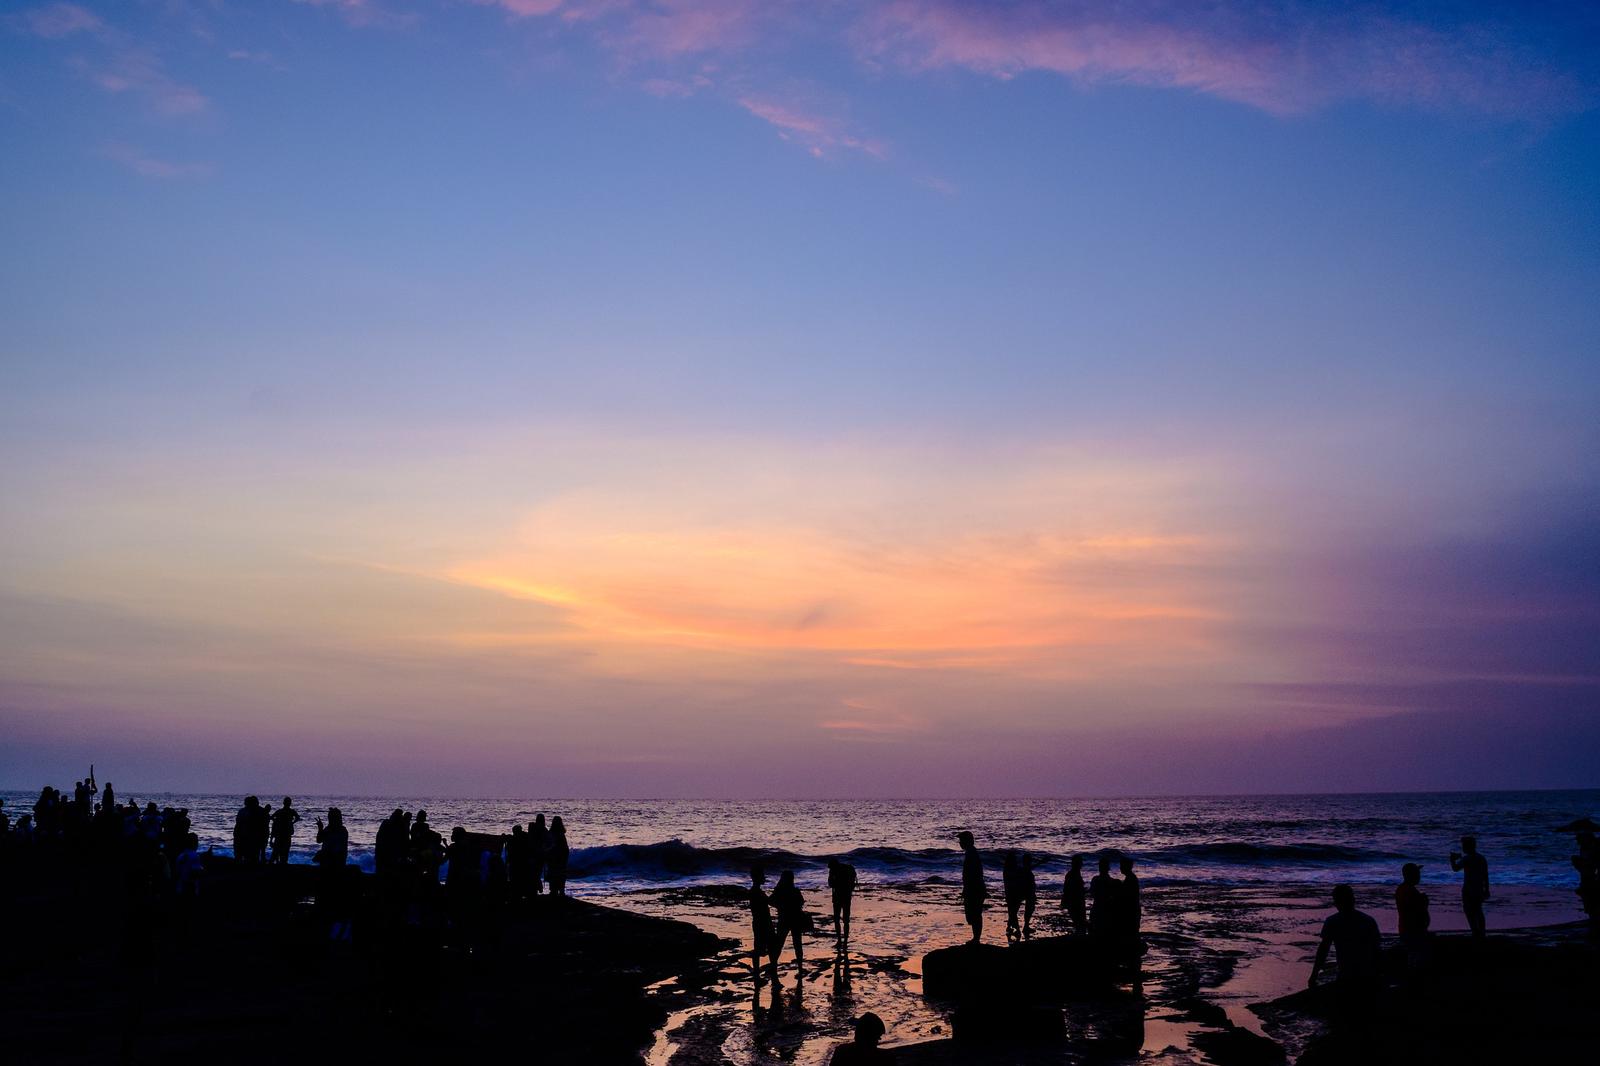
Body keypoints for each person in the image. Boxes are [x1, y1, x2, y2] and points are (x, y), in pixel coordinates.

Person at [1308, 884, 1382, 1021]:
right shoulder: (1368, 921)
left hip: (1346, 975)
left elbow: (1323, 950)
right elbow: (1377, 951)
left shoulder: (1332, 922)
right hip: (1368, 975)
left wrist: (1314, 976)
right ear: (1353, 899)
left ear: (1336, 902)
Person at [1449, 835, 1489, 938]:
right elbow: (1485, 875)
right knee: (1478, 910)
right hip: (1479, 888)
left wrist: (1452, 860)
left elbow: (1455, 868)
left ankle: (1475, 931)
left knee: (1469, 911)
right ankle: (1482, 932)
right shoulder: (1481, 858)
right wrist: (1487, 889)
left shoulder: (1467, 859)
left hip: (1468, 889)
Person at [1394, 862, 1431, 973]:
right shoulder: (1408, 891)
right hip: (1412, 930)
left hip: (1411, 929)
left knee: (1415, 956)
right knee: (1417, 958)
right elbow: (1414, 911)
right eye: (1417, 874)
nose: (1419, 876)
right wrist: (1424, 902)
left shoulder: (1405, 889)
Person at [772, 869, 807, 971]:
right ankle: (800, 966)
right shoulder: (795, 891)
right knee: (797, 944)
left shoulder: (779, 890)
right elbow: (801, 902)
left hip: (783, 919)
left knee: (779, 943)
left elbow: (770, 901)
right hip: (795, 919)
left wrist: (780, 906)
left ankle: (774, 964)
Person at [749, 864, 778, 981]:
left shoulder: (754, 891)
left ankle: (757, 973)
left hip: (758, 922)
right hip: (764, 923)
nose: (764, 877)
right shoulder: (758, 893)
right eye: (762, 876)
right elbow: (771, 902)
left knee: (759, 947)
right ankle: (772, 973)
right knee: (770, 948)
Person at [958, 831, 986, 944]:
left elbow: (973, 874)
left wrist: (968, 889)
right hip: (975, 888)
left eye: (961, 840)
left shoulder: (971, 854)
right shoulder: (971, 853)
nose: (960, 843)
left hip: (974, 889)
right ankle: (976, 938)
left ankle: (976, 939)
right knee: (974, 914)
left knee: (974, 914)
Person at [1089, 852, 1119, 941]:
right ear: (1108, 868)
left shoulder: (1095, 879)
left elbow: (1092, 893)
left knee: (1096, 929)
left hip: (1097, 906)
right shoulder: (1112, 881)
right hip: (1108, 907)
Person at [1117, 854, 1141, 962]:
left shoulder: (1130, 879)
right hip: (1134, 909)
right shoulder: (1131, 878)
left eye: (1122, 866)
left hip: (1132, 910)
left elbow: (1127, 896)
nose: (1120, 868)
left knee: (1132, 931)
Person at [828, 857, 857, 943]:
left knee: (837, 919)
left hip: (837, 897)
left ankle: (839, 940)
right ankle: (845, 940)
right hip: (847, 896)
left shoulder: (833, 871)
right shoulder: (846, 869)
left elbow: (830, 884)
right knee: (846, 920)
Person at [1061, 854, 1087, 934]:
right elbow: (1069, 890)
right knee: (1080, 922)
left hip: (1075, 901)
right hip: (1076, 902)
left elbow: (1066, 889)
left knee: (1078, 923)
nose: (1082, 864)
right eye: (1080, 862)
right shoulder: (1073, 874)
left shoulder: (1073, 874)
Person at [270, 797, 300, 865]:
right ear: (290, 803)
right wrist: (292, 822)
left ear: (283, 803)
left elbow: (271, 817)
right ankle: (282, 863)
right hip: (286, 834)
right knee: (285, 851)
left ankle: (276, 863)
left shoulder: (280, 811)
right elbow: (298, 818)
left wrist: (276, 822)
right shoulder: (291, 811)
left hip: (280, 834)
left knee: (277, 851)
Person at [1002, 851, 1024, 942]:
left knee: (1012, 912)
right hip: (1014, 893)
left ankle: (1009, 927)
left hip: (1012, 893)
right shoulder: (1011, 870)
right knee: (1013, 912)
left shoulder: (1007, 870)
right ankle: (1016, 930)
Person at [546, 816, 569, 896]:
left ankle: (553, 891)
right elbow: (565, 848)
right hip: (560, 857)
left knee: (553, 875)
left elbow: (550, 845)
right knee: (561, 875)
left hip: (553, 857)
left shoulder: (551, 833)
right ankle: (561, 891)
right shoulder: (561, 834)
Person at [528, 814, 549, 894]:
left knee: (533, 874)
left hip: (532, 855)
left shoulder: (532, 828)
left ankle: (534, 890)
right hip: (539, 855)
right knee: (537, 873)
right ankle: (537, 888)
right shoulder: (544, 830)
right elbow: (547, 841)